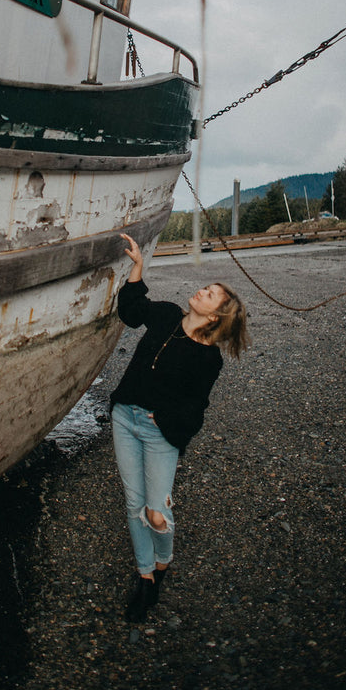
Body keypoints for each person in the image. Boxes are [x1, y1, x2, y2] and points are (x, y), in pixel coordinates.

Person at [111, 233, 249, 622]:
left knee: (156, 513)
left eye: (211, 294)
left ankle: (164, 560)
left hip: (159, 433)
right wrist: (138, 267)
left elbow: (195, 410)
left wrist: (165, 420)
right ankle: (145, 578)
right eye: (207, 287)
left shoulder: (209, 360)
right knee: (134, 504)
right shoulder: (168, 315)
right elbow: (133, 311)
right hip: (124, 417)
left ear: (216, 316)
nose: (202, 290)